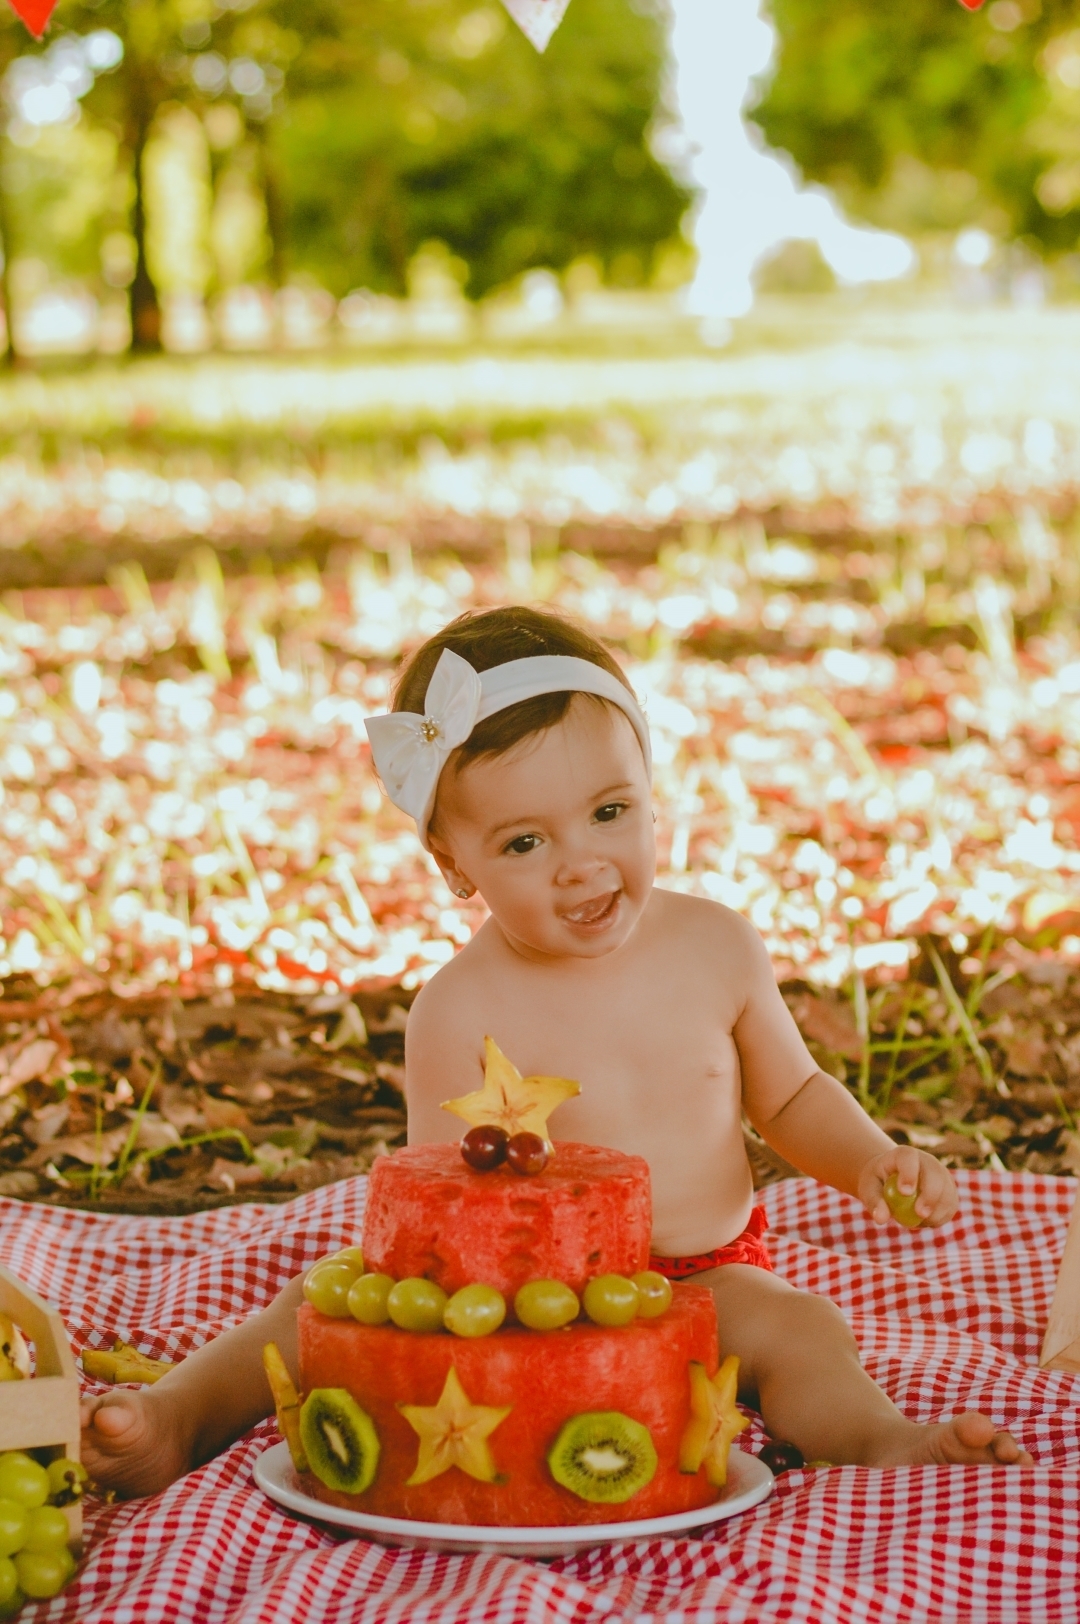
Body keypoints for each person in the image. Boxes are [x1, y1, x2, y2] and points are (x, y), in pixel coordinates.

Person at [82, 606, 1031, 1498]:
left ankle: (879, 1441)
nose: (581, 863)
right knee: (315, 1308)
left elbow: (790, 1099)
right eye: (526, 841)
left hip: (704, 1281)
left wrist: (871, 1160)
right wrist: (493, 1314)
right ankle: (182, 1415)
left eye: (610, 814)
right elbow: (442, 1204)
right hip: (520, 1296)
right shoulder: (458, 1009)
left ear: (652, 795)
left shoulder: (716, 947)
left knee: (805, 1328)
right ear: (457, 866)